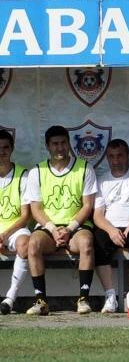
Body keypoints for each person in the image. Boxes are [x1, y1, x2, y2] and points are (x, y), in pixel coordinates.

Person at [26, 125, 97, 315]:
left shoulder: (85, 168)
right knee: (33, 244)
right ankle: (41, 300)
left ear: (69, 144)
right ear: (47, 146)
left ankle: (83, 299)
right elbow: (36, 209)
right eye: (55, 144)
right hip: (49, 228)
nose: (60, 148)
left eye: (63, 143)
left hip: (76, 226)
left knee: (86, 242)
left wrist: (69, 228)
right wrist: (53, 229)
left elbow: (87, 206)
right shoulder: (37, 171)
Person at [93, 139, 129, 313]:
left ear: (128, 156)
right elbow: (97, 215)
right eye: (111, 156)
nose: (116, 160)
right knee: (97, 245)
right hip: (110, 229)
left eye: (120, 155)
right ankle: (110, 296)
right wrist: (111, 230)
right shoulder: (102, 180)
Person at [0, 130, 30, 315]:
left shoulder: (23, 175)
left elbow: (25, 216)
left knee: (25, 244)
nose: (1, 152)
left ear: (12, 149)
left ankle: (10, 298)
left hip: (14, 228)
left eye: (5, 147)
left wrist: (4, 235)